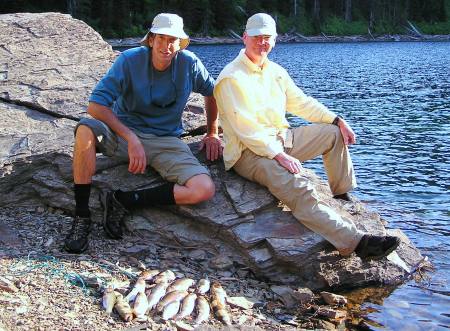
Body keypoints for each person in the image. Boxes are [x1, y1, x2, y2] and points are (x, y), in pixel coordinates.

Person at [214, 13, 400, 259]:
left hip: (281, 138)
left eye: (267, 37)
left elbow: (301, 103)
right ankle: (356, 243)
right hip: (249, 153)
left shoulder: (275, 71)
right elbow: (246, 129)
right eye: (257, 37)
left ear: (275, 40)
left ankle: (341, 194)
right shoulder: (231, 77)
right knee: (298, 186)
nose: (262, 43)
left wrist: (337, 119)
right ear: (245, 37)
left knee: (333, 134)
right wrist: (278, 155)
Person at [64, 13, 222, 254]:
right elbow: (96, 106)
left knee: (203, 189)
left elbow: (212, 92)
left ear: (180, 43)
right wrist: (131, 137)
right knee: (85, 130)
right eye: (160, 38)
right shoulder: (129, 60)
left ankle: (124, 201)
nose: (166, 46)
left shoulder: (189, 64)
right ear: (150, 39)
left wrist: (212, 132)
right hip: (122, 136)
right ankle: (82, 216)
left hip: (166, 140)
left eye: (173, 40)